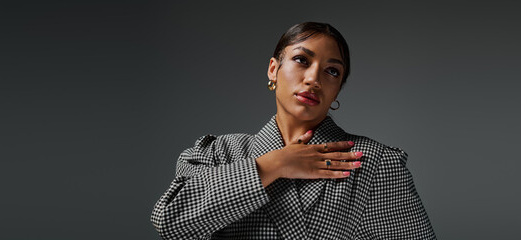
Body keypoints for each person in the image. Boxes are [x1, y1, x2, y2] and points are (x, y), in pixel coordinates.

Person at [151, 22, 436, 239]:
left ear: (337, 90)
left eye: (332, 71)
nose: (314, 79)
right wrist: (276, 163)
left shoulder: (374, 163)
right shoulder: (219, 152)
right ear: (273, 70)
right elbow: (171, 223)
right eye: (302, 60)